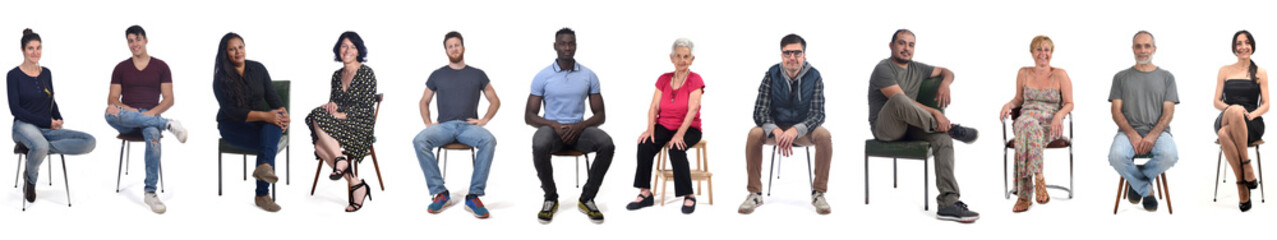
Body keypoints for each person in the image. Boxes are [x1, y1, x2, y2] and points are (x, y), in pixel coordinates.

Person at [867, 29, 979, 222]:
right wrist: (935, 112)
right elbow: (899, 99)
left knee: (942, 139)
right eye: (901, 43)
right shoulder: (883, 68)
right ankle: (949, 127)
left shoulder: (918, 68)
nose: (906, 48)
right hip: (885, 129)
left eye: (911, 45)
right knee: (898, 100)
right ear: (891, 46)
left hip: (911, 126)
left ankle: (948, 204)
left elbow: (947, 71)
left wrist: (945, 84)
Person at [526, 28, 615, 223]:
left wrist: (580, 126)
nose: (567, 48)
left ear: (575, 46)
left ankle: (587, 198)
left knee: (607, 144)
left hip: (580, 131)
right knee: (539, 143)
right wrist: (553, 125)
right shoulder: (543, 76)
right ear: (555, 46)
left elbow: (600, 115)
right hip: (553, 132)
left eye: (571, 44)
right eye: (563, 44)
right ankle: (550, 197)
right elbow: (529, 116)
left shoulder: (589, 75)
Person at [739, 34, 833, 215]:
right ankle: (754, 193)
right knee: (754, 133)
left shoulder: (814, 76)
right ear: (781, 55)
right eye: (787, 53)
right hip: (775, 130)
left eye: (797, 53)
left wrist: (795, 130)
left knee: (824, 135)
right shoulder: (772, 74)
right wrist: (774, 129)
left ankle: (818, 193)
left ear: (804, 55)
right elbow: (759, 111)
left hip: (804, 131)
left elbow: (818, 114)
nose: (792, 58)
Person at [413, 31, 500, 218]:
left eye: (457, 45)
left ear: (463, 47)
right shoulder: (437, 74)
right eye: (450, 46)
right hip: (444, 126)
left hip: (469, 127)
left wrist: (484, 120)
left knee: (489, 140)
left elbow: (495, 100)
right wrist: (428, 123)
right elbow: (423, 101)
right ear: (446, 51)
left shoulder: (478, 74)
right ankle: (440, 193)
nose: (454, 48)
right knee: (419, 140)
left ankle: (474, 195)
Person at [104, 25, 189, 214]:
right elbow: (113, 100)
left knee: (153, 138)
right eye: (130, 41)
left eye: (138, 39)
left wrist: (151, 113)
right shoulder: (120, 67)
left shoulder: (161, 66)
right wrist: (133, 111)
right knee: (109, 111)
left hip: (151, 118)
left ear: (146, 40)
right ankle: (167, 124)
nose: (135, 44)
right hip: (127, 119)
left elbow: (169, 99)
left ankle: (150, 193)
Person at [9, 28, 96, 205]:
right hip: (23, 126)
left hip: (47, 128)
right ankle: (31, 181)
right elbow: (15, 110)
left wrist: (58, 118)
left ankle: (36, 152)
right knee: (39, 144)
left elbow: (51, 100)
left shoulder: (46, 72)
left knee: (89, 141)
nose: (35, 52)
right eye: (31, 48)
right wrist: (47, 122)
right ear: (22, 50)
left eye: (38, 48)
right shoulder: (13, 75)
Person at [626, 38, 705, 214]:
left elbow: (693, 110)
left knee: (676, 148)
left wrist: (679, 134)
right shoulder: (663, 79)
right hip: (664, 124)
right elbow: (653, 106)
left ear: (692, 59)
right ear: (671, 58)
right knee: (644, 144)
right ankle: (645, 193)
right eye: (678, 56)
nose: (682, 60)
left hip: (689, 127)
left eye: (686, 56)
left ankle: (689, 195)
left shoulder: (695, 80)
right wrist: (650, 128)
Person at [213, 32, 288, 212]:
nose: (238, 52)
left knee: (274, 124)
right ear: (225, 53)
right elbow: (233, 112)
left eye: (240, 47)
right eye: (232, 49)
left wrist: (284, 115)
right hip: (232, 126)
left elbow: (273, 98)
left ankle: (263, 168)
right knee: (269, 137)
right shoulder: (220, 79)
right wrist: (266, 116)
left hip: (260, 124)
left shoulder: (258, 69)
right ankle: (262, 194)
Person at [999, 35, 1074, 213]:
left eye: (1046, 49)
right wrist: (1008, 105)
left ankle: (1024, 197)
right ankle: (1039, 177)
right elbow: (1019, 99)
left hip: (1050, 122)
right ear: (1032, 52)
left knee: (1026, 137)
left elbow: (1070, 103)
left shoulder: (1060, 74)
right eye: (1039, 49)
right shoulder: (1023, 73)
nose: (1043, 53)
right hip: (1026, 119)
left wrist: (1059, 115)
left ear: (1051, 53)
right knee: (1028, 126)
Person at [304, 31, 376, 212]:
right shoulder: (337, 75)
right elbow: (334, 101)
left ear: (358, 51)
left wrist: (341, 115)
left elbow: (366, 108)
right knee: (319, 146)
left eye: (353, 47)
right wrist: (332, 106)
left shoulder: (366, 73)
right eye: (344, 46)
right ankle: (356, 183)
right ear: (339, 50)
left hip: (360, 125)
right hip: (340, 124)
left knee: (317, 121)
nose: (348, 50)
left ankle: (340, 160)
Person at [1108, 30, 1179, 212]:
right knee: (1116, 156)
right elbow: (1116, 111)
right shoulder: (1120, 77)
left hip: (1159, 131)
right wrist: (1132, 135)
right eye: (1138, 46)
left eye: (1147, 46)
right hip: (1127, 131)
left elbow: (1169, 112)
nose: (1143, 50)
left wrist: (1152, 136)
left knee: (1170, 155)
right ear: (1133, 49)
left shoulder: (1167, 77)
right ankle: (1146, 190)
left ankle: (1136, 184)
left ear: (1154, 49)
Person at [1214, 30, 1267, 212]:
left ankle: (1241, 185)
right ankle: (1247, 165)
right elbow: (1216, 101)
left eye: (1246, 42)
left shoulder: (1260, 72)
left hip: (1251, 122)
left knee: (1223, 134)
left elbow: (1266, 104)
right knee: (1235, 110)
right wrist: (1232, 109)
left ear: (1252, 46)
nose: (1243, 46)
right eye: (1239, 43)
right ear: (1234, 47)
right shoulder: (1224, 70)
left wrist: (1253, 114)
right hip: (1227, 116)